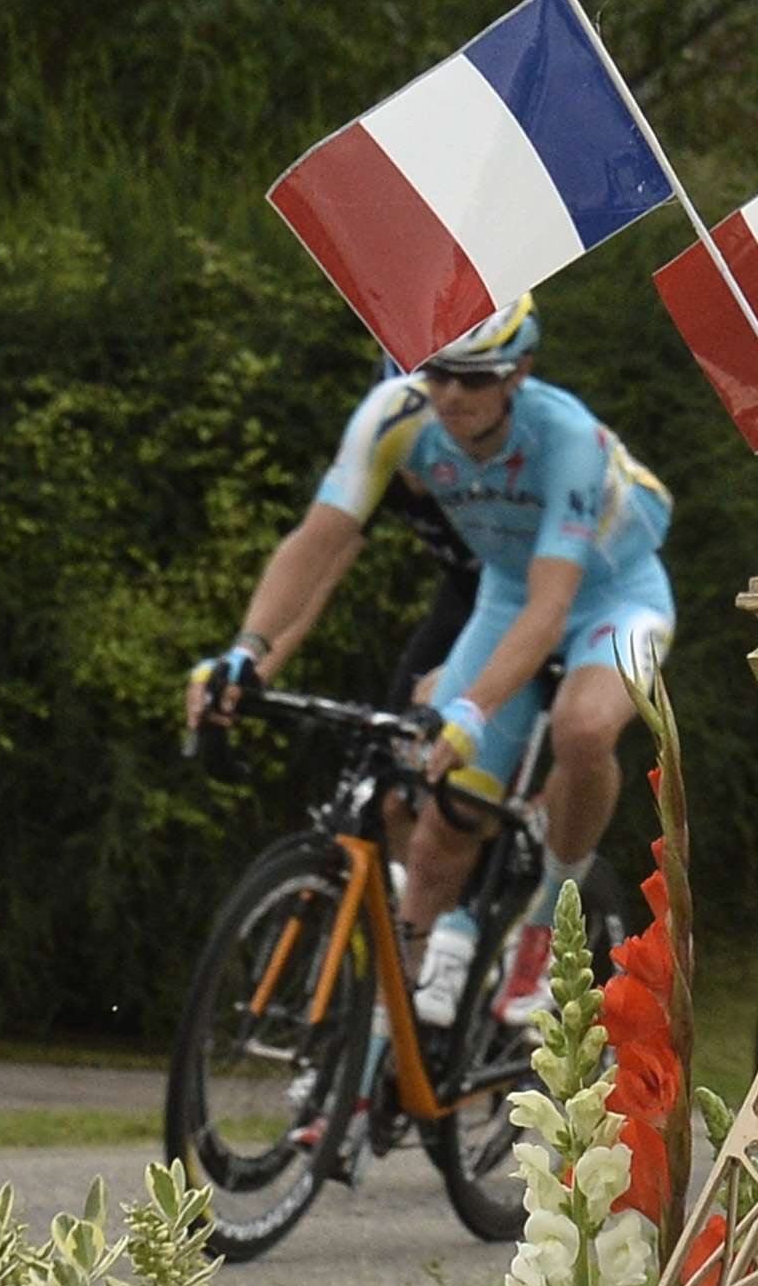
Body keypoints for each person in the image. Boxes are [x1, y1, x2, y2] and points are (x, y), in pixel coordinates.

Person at [187, 294, 672, 1032]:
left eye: (477, 378)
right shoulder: (396, 413)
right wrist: (245, 651)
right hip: (508, 595)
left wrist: (472, 710)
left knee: (582, 730)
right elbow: (317, 541)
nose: (451, 394)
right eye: (439, 371)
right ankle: (383, 1040)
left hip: (613, 596)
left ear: (521, 373)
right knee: (441, 819)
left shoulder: (566, 434)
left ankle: (548, 918)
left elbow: (554, 604)